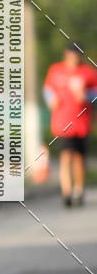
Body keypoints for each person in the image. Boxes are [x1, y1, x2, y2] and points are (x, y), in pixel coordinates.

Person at [43, 42, 97, 207]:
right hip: (62, 122)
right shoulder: (56, 70)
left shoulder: (88, 73)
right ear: (66, 54)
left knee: (79, 158)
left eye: (77, 54)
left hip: (81, 123)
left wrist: (86, 96)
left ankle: (78, 190)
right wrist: (50, 99)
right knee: (66, 156)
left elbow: (95, 94)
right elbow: (47, 89)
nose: (74, 57)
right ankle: (66, 193)